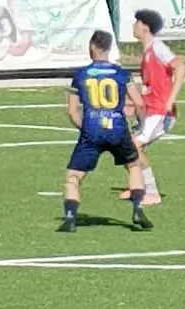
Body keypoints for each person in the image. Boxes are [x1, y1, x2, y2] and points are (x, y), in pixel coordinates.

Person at [62, 31, 152, 233]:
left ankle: (70, 217)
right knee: (134, 166)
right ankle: (138, 208)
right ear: (109, 49)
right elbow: (139, 103)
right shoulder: (122, 74)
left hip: (92, 129)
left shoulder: (81, 75)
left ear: (92, 47)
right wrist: (141, 125)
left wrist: (84, 128)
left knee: (74, 176)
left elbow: (71, 110)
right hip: (118, 128)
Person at [123, 9, 183, 206]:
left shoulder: (158, 47)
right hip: (150, 110)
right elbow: (152, 87)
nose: (134, 25)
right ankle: (137, 186)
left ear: (145, 27)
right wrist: (134, 106)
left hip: (160, 112)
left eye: (137, 22)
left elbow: (180, 67)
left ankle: (153, 192)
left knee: (133, 146)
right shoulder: (148, 51)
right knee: (123, 145)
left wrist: (170, 101)